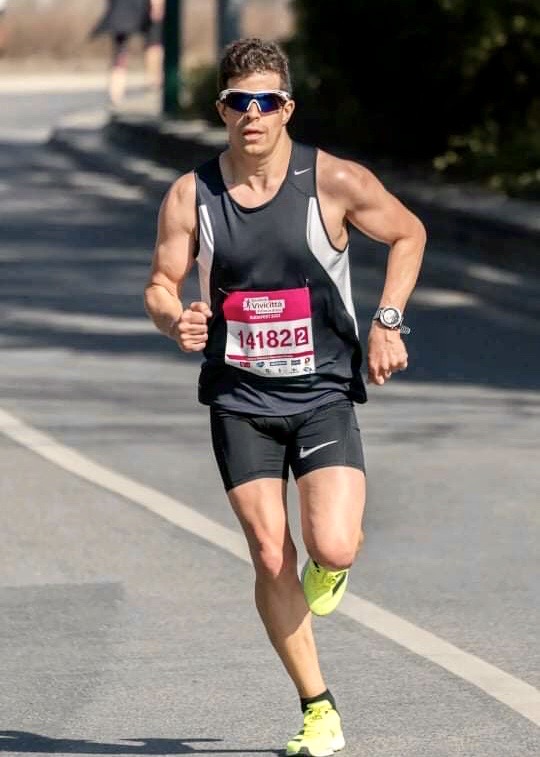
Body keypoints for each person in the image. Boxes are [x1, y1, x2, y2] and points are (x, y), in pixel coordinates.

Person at [144, 38, 426, 756]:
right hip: (239, 398)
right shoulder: (191, 195)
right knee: (271, 553)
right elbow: (160, 284)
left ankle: (330, 564)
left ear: (287, 108)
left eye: (267, 101)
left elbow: (409, 232)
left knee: (332, 542)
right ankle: (318, 706)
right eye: (239, 102)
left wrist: (388, 320)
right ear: (222, 110)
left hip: (322, 390)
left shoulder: (333, 181)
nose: (253, 114)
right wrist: (175, 319)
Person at [92, 0, 164, 107]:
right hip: (139, 8)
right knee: (153, 44)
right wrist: (157, 5)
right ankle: (153, 84)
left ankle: (115, 95)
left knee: (121, 52)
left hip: (121, 9)